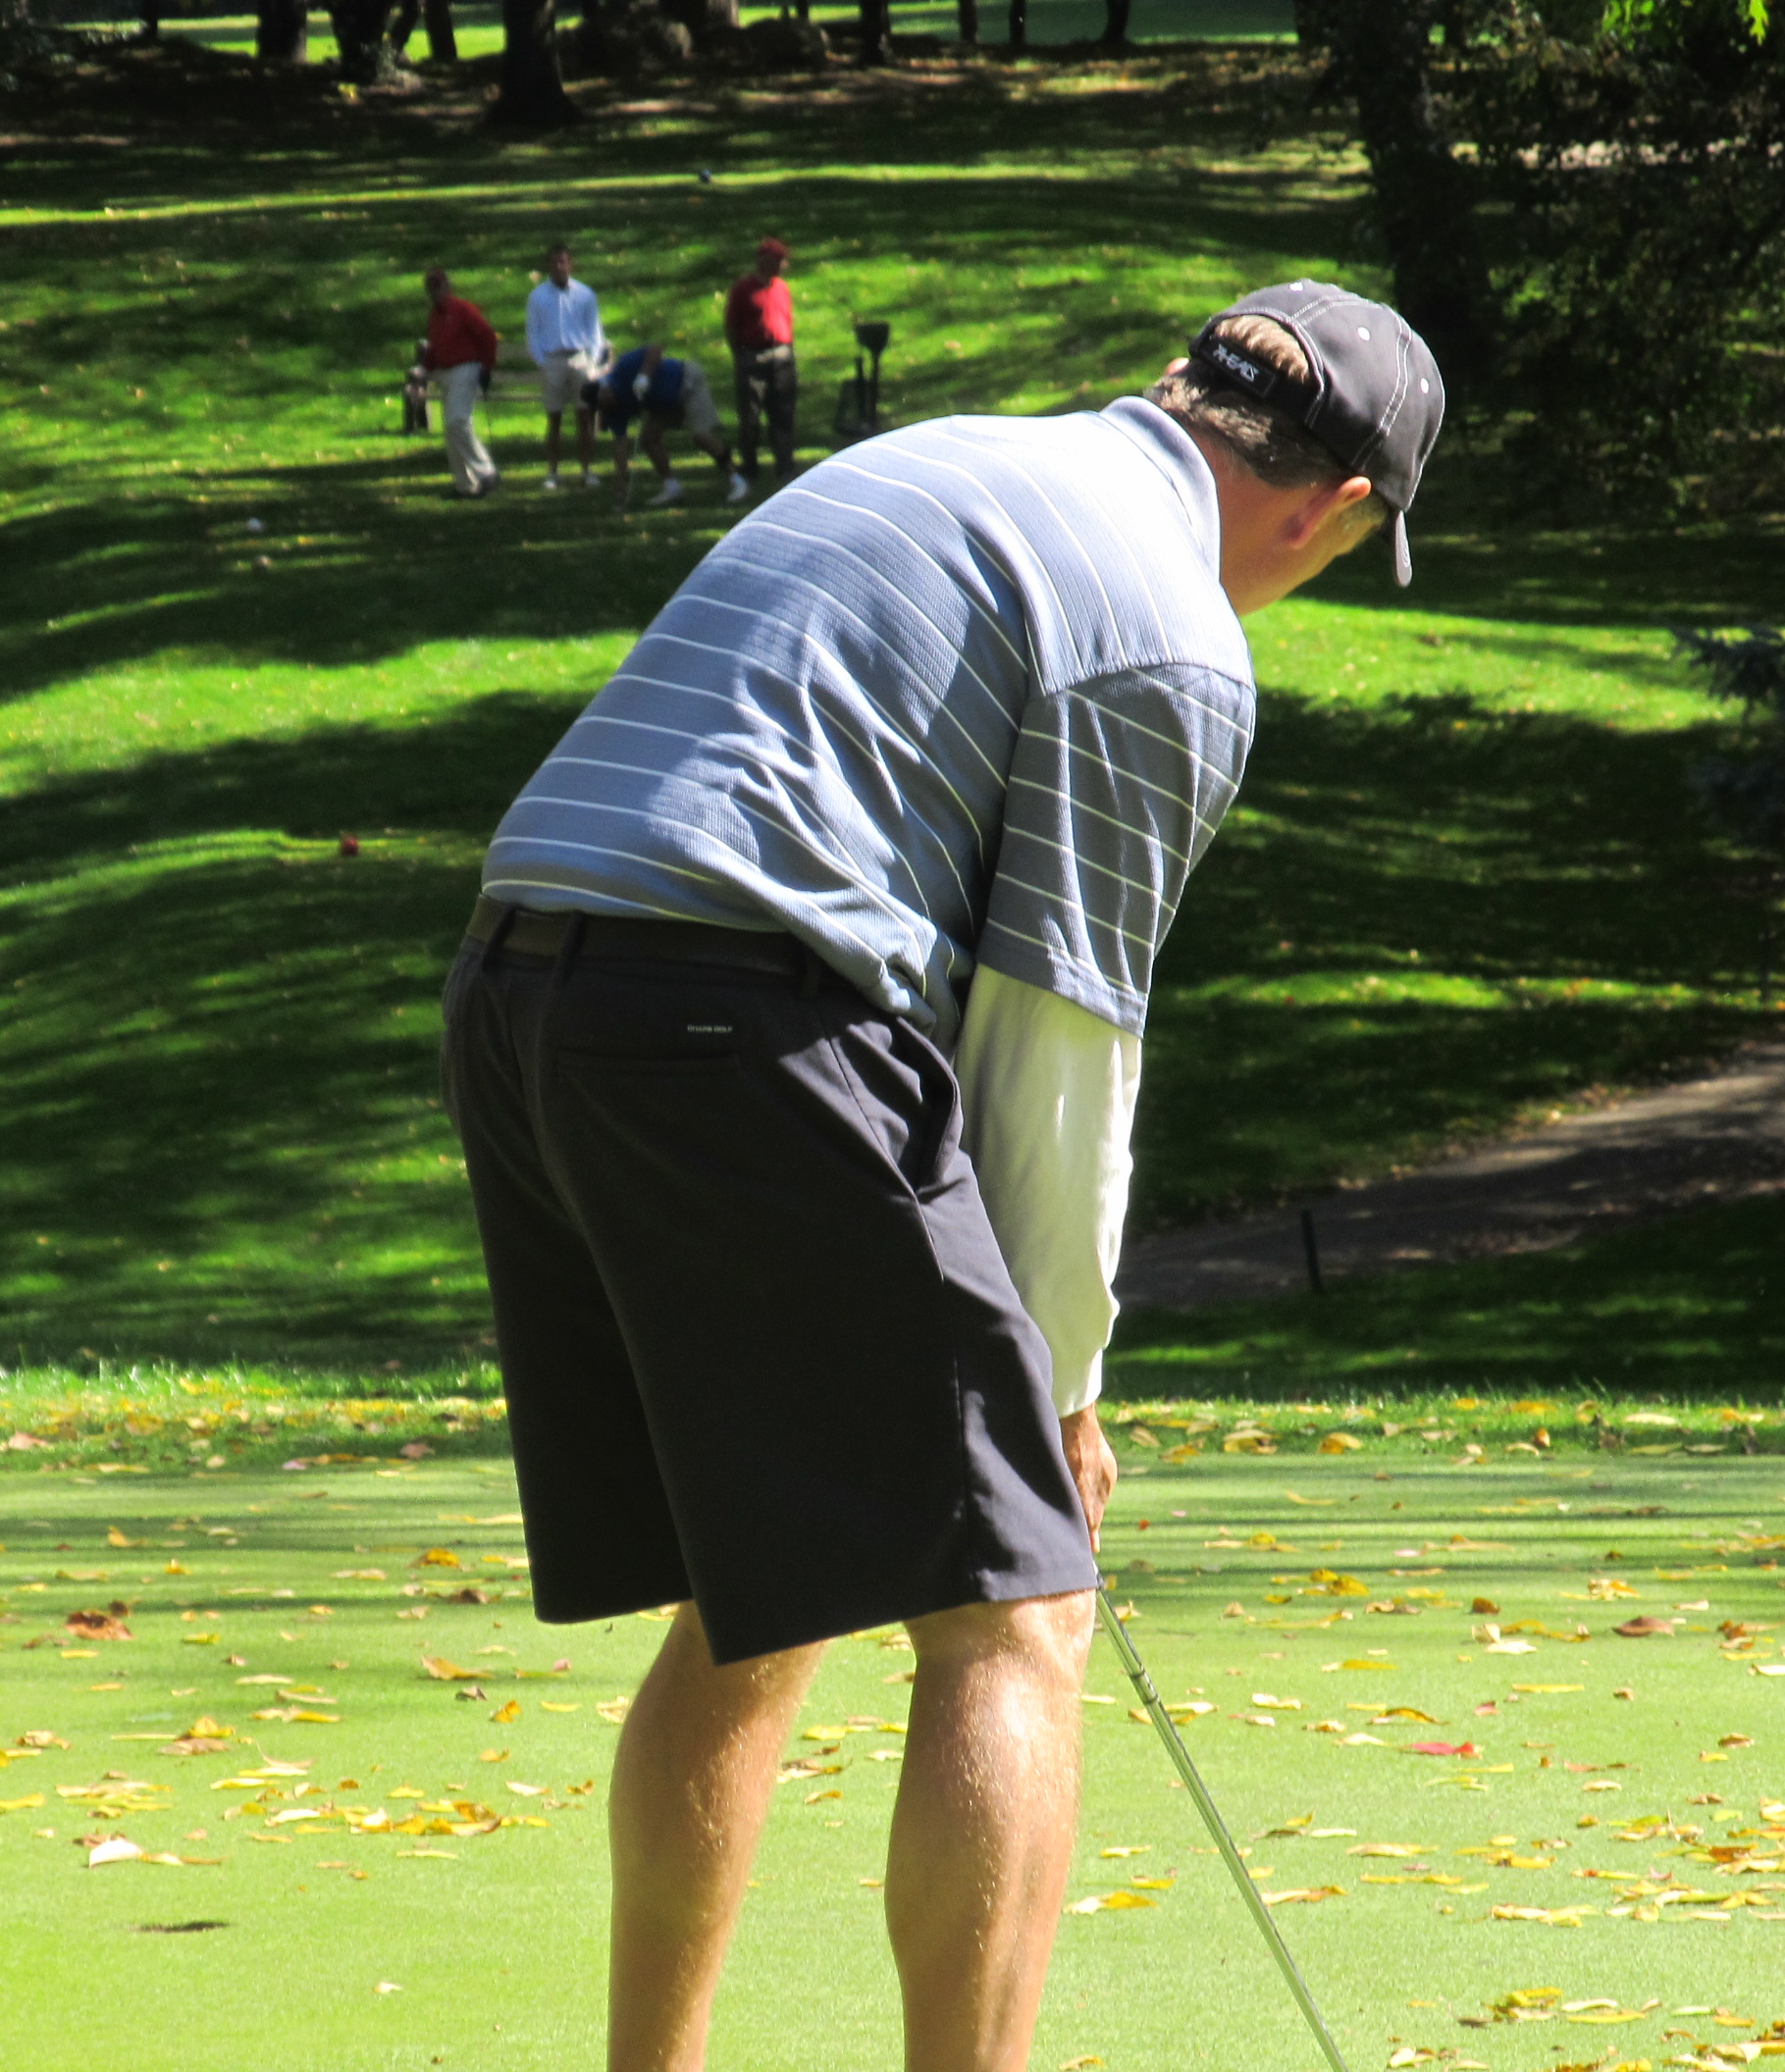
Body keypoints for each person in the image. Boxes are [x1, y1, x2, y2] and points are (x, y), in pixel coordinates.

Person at [439, 281, 1442, 2072]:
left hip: (529, 989)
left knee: (752, 1596)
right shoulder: (1169, 635)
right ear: (1336, 509)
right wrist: (1064, 1395)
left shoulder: (954, 460)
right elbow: (1060, 1042)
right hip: (736, 1009)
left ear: (1182, 391)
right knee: (1015, 1611)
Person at [588, 343, 748, 508]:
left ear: (605, 387)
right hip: (665, 404)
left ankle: (737, 478)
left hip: (687, 382)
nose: (608, 400)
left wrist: (644, 376)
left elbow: (655, 349)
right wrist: (620, 486)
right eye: (602, 404)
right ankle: (672, 487)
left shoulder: (624, 366)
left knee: (701, 436)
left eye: (605, 395)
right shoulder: (614, 410)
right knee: (649, 439)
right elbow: (620, 447)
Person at [526, 242, 612, 491]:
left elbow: (594, 331)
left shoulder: (585, 295)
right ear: (548, 265)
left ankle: (587, 470)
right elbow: (533, 333)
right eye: (554, 262)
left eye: (562, 261)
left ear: (570, 263)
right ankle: (553, 472)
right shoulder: (537, 297)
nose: (559, 266)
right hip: (552, 359)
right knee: (554, 417)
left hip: (579, 358)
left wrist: (592, 361)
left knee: (585, 416)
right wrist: (542, 360)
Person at [418, 267, 500, 498]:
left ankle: (486, 472)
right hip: (445, 374)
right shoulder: (435, 317)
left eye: (438, 286)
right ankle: (465, 484)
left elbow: (487, 336)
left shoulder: (463, 309)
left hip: (466, 369)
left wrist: (486, 366)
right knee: (450, 430)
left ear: (447, 286)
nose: (435, 292)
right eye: (431, 288)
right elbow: (434, 349)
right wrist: (424, 369)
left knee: (457, 421)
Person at [722, 234, 799, 484]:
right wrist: (741, 355)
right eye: (779, 260)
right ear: (765, 261)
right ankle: (750, 467)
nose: (784, 265)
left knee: (783, 415)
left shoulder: (781, 288)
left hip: (782, 357)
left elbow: (787, 319)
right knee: (750, 417)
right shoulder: (743, 288)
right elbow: (731, 326)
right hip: (752, 357)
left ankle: (785, 466)